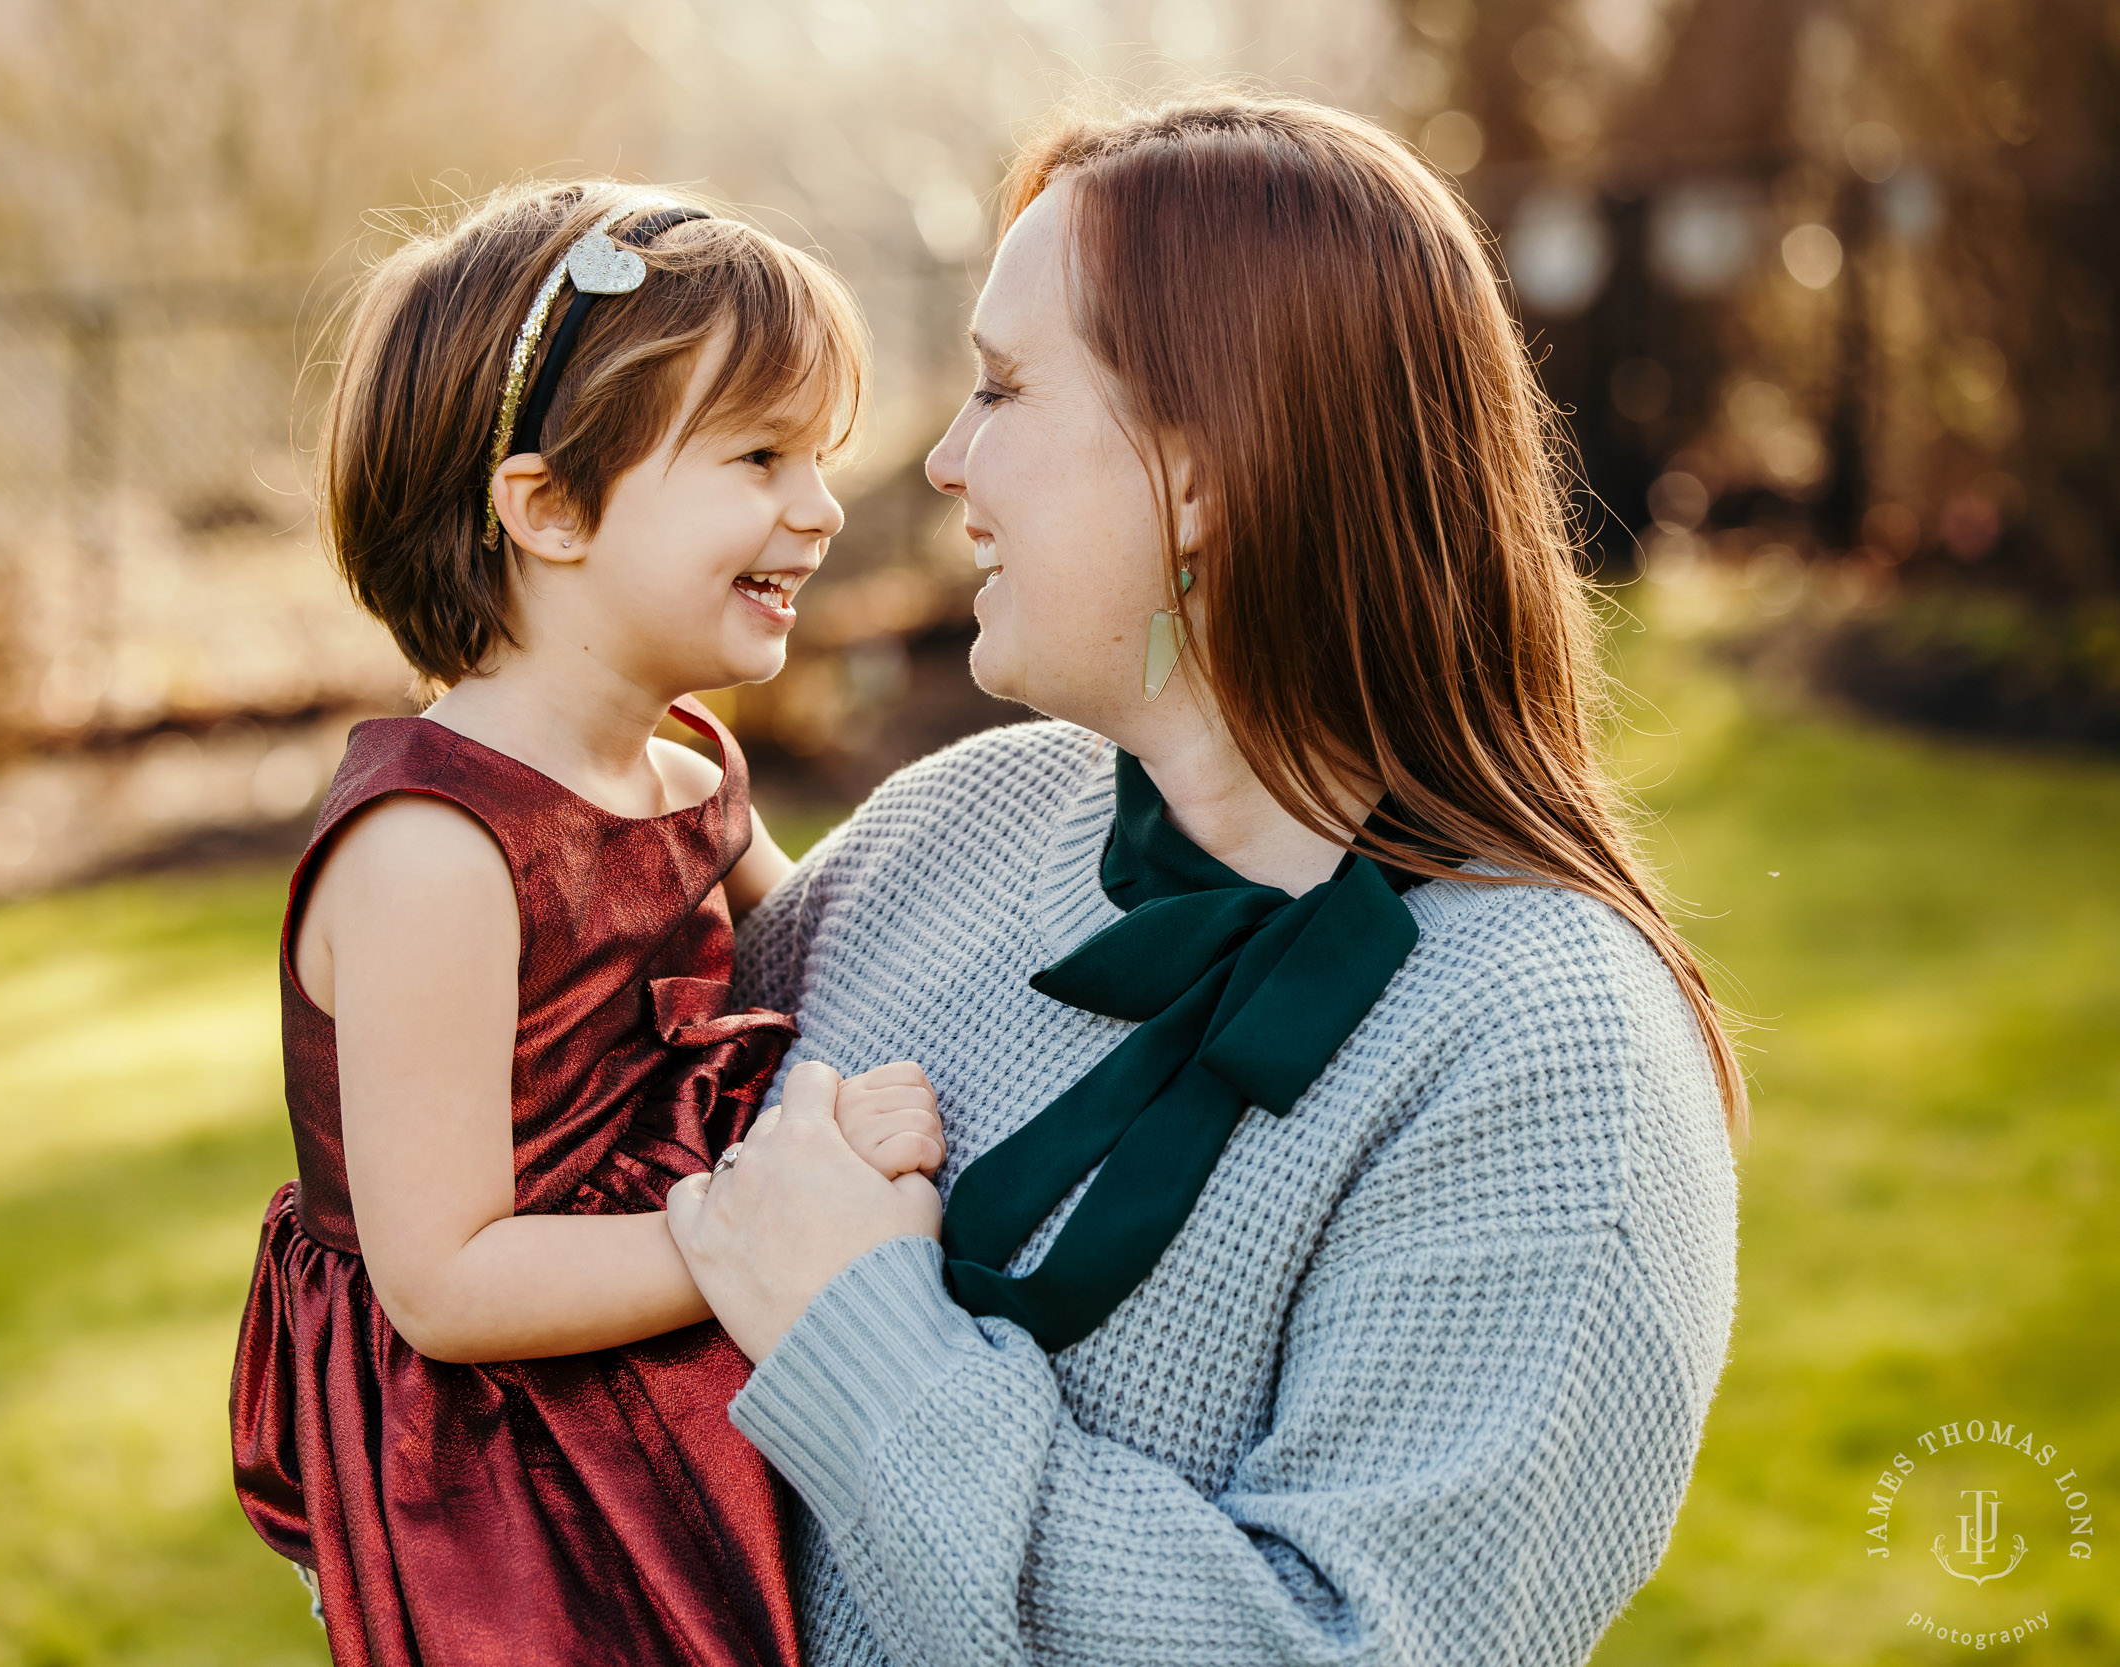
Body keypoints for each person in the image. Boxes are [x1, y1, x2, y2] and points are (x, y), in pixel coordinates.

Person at [666, 96, 1745, 1666]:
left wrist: (867, 1347)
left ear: (1208, 468)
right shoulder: (940, 836)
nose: (948, 461)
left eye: (1005, 387)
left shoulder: (1547, 1056)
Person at [226, 182, 945, 1667]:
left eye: (822, 457)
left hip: (658, 1380)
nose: (816, 508)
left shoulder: (688, 774)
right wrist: (760, 1237)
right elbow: (446, 1280)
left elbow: (862, 956)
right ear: (548, 509)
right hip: (506, 1470)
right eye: (759, 457)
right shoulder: (434, 850)